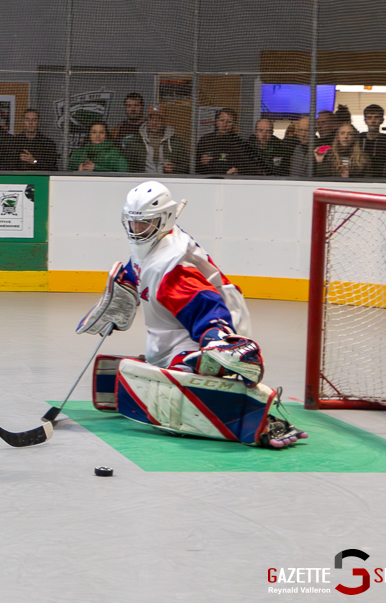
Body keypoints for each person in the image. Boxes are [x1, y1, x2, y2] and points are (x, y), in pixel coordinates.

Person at [77, 180, 306, 449]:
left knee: (178, 399)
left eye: (145, 223)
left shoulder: (173, 267)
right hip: (169, 336)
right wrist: (126, 283)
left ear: (165, 220)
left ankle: (257, 416)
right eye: (132, 221)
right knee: (161, 375)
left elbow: (206, 305)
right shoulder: (151, 244)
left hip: (203, 337)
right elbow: (138, 267)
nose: (136, 229)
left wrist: (216, 337)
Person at [122, 105, 186, 174]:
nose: (154, 122)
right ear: (147, 120)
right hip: (141, 181)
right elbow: (127, 167)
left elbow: (186, 166)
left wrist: (175, 168)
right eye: (151, 118)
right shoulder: (135, 142)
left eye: (158, 119)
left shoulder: (175, 143)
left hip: (168, 181)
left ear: (164, 121)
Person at [195, 108, 260, 175]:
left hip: (230, 181)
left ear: (233, 124)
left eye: (229, 122)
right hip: (207, 180)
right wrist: (202, 162)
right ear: (216, 121)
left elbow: (249, 167)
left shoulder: (239, 143)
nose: (224, 125)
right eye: (222, 120)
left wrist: (238, 170)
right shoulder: (205, 140)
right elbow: (194, 165)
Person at [359, 104, 386, 177]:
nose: (373, 121)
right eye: (369, 118)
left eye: (376, 117)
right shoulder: (359, 138)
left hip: (381, 176)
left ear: (382, 120)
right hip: (360, 177)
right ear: (365, 121)